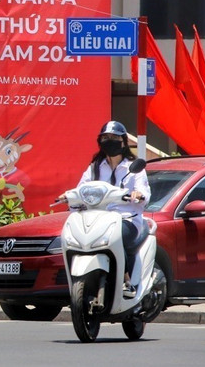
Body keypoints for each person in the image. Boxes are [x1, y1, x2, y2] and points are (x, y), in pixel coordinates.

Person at [76, 120, 150, 298]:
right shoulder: (94, 168)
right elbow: (81, 188)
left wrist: (137, 194)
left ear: (123, 141)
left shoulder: (134, 168)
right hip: (98, 219)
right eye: (105, 137)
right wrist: (69, 195)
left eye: (115, 137)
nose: (110, 141)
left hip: (127, 219)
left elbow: (144, 192)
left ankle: (126, 281)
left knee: (114, 236)